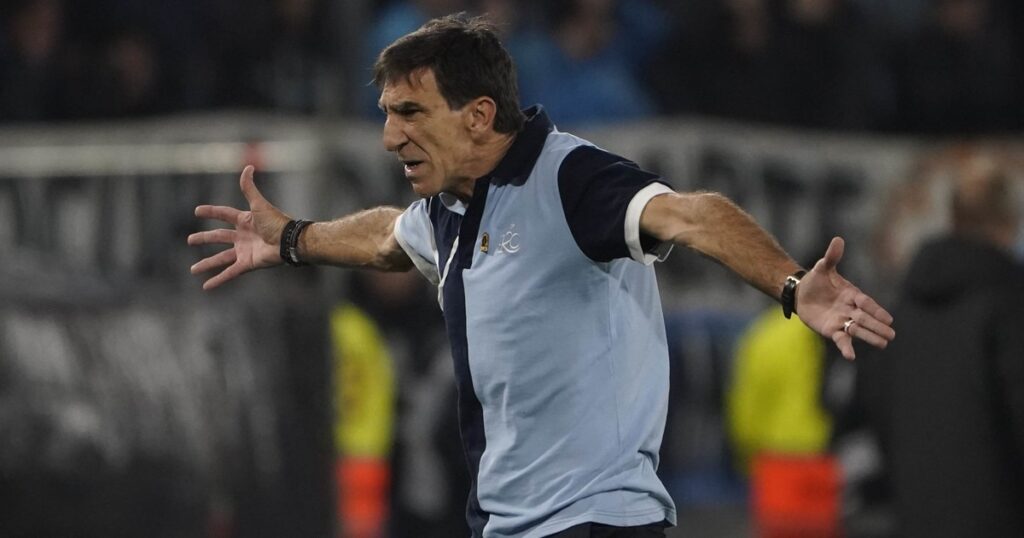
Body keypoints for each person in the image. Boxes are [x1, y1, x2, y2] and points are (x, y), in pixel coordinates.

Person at [188, 14, 895, 538]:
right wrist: (293, 239)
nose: (390, 136)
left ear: (478, 116)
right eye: (386, 115)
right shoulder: (448, 210)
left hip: (595, 522)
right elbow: (386, 237)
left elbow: (694, 214)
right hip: (512, 525)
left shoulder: (570, 179)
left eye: (410, 113)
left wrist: (793, 286)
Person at [857, 161, 1024, 537]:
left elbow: (876, 407)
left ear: (954, 217)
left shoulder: (903, 308)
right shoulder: (1009, 304)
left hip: (916, 518)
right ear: (1008, 221)